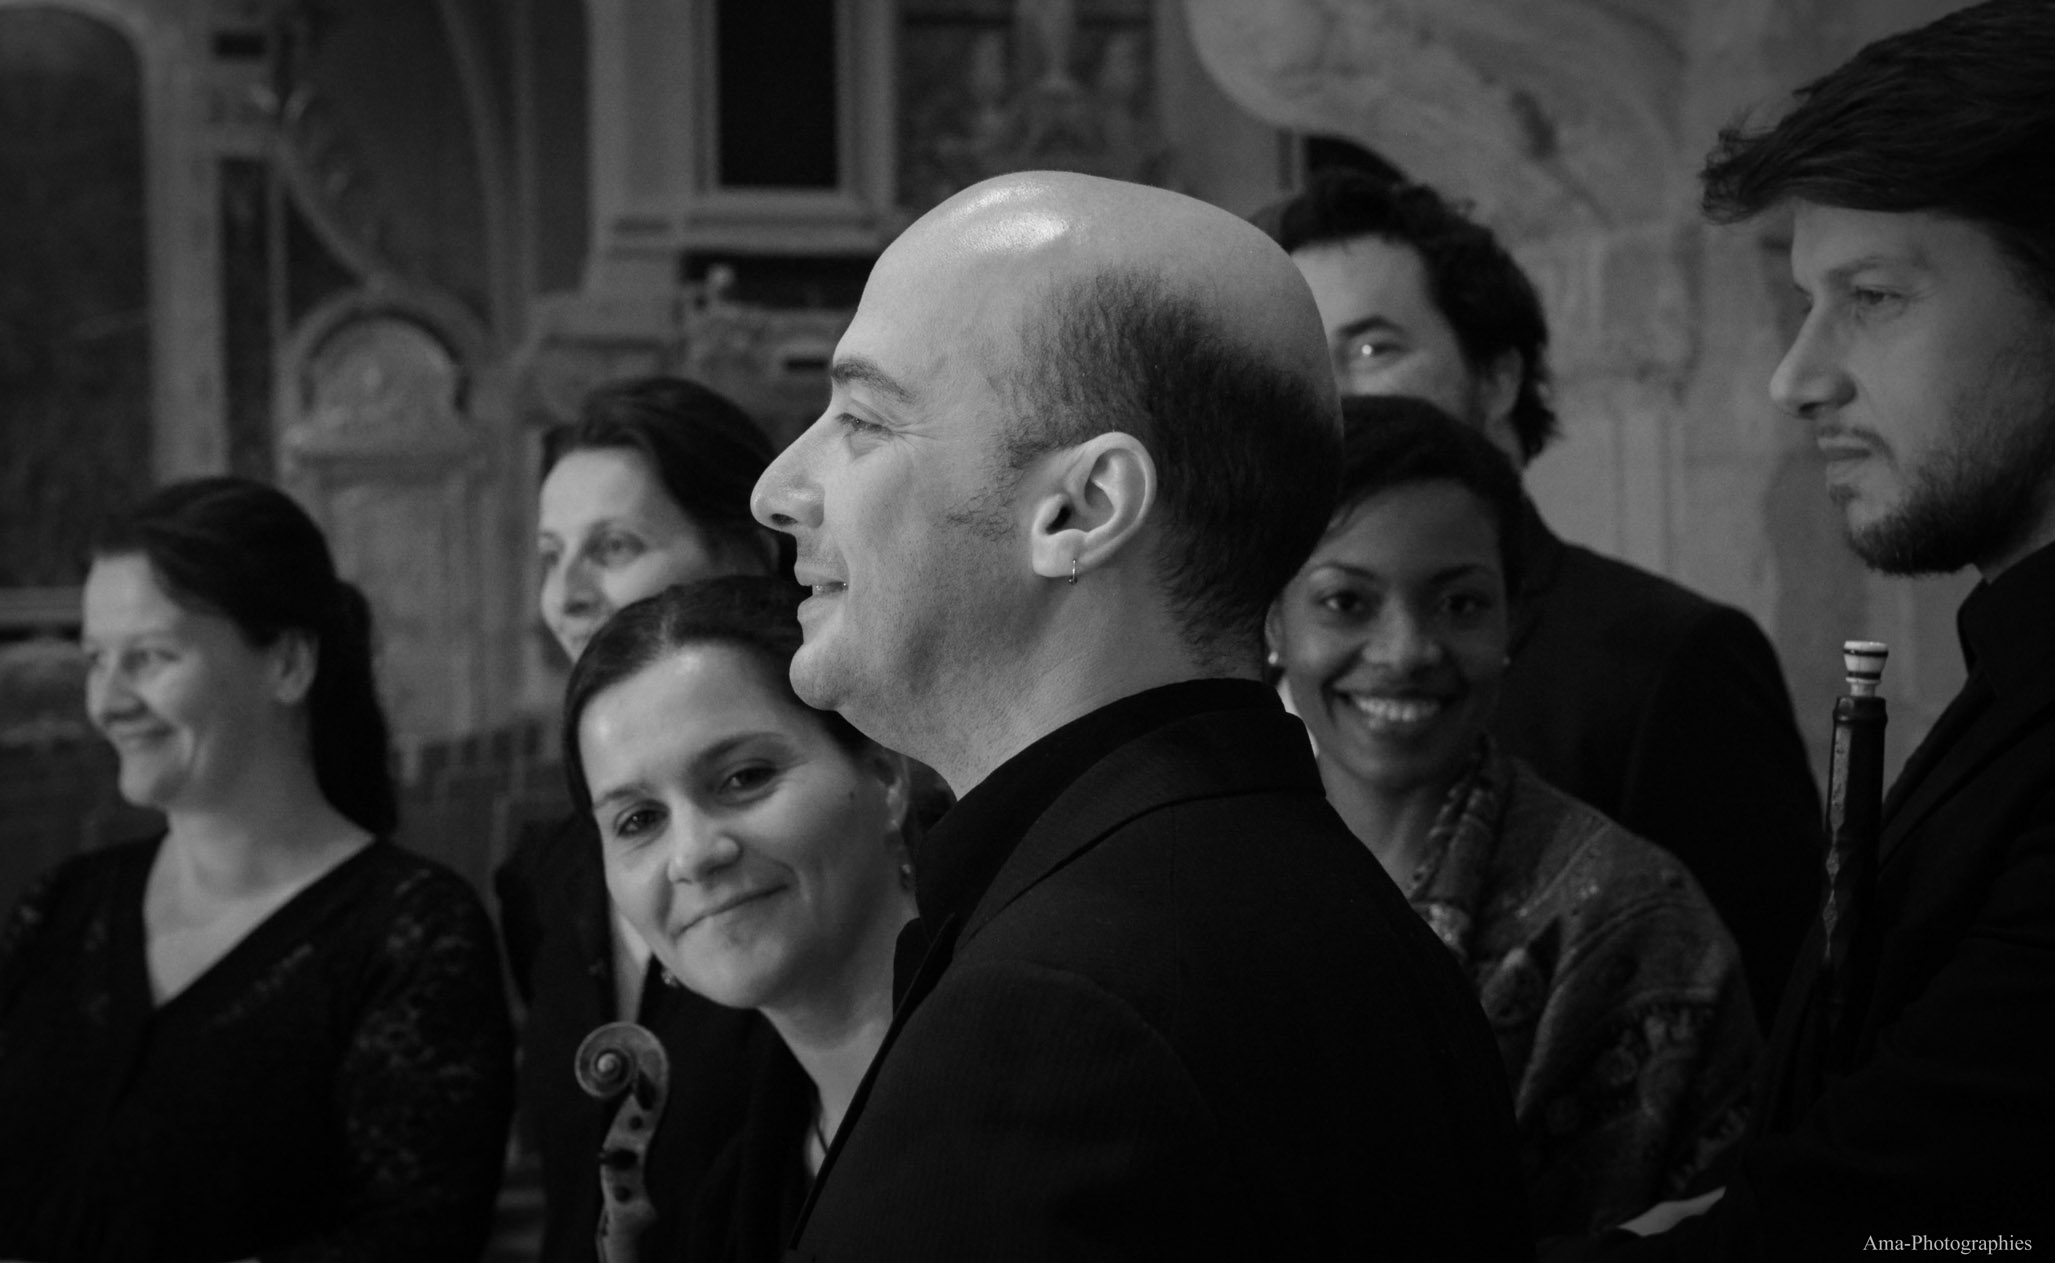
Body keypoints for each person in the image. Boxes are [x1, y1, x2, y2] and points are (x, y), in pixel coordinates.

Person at [750, 170, 1531, 1259]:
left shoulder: (1056, 1013)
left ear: (1082, 507)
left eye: (865, 421)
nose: (778, 488)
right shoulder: (1345, 918)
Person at [1550, 1, 2055, 1254]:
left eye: (1873, 297)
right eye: (1805, 301)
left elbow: (1905, 1215)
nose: (1796, 376)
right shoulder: (2014, 668)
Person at [1255, 173, 1822, 1026]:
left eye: (1371, 349)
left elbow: (1765, 1013)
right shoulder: (1225, 640)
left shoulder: (1668, 658)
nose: (1327, 396)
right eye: (1298, 361)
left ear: (1496, 378)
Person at [1269, 396, 1757, 1235]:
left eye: (1459, 604)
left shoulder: (1636, 918)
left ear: (1511, 620)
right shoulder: (1204, 878)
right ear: (1271, 621)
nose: (1406, 651)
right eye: (1346, 601)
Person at [0, 476, 513, 1261]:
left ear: (288, 663)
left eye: (150, 657)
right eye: (97, 659)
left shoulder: (411, 932)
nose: (107, 701)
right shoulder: (62, 905)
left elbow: (413, 1241)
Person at [497, 375, 787, 1263]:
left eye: (612, 546)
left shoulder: (839, 842)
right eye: (550, 556)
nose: (566, 594)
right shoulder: (544, 875)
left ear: (742, 554)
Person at [565, 576, 917, 1261]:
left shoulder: (1034, 1064)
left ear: (884, 775)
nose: (694, 855)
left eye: (744, 777)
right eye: (638, 820)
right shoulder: (733, 1198)